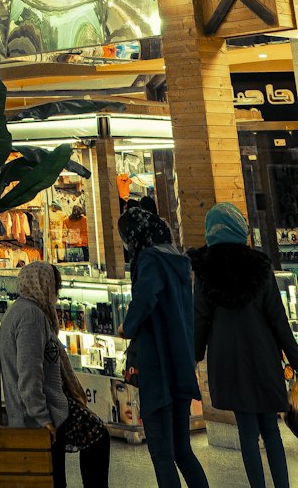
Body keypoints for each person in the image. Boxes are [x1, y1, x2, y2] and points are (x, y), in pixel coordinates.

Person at [193, 201, 298, 488]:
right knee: (271, 431)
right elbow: (278, 320)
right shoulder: (259, 266)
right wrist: (295, 358)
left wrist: (195, 354)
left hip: (228, 361)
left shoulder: (205, 271)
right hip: (262, 357)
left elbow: (200, 318)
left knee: (247, 433)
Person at [120, 204, 208, 488]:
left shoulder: (149, 260)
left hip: (157, 367)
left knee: (162, 454)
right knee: (182, 451)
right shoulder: (177, 262)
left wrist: (127, 326)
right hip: (179, 365)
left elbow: (145, 298)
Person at [0, 261, 110, 488]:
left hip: (43, 410)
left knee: (56, 476)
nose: (56, 295)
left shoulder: (23, 310)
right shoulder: (31, 316)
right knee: (97, 437)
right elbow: (29, 372)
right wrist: (42, 417)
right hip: (40, 414)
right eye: (55, 288)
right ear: (44, 286)